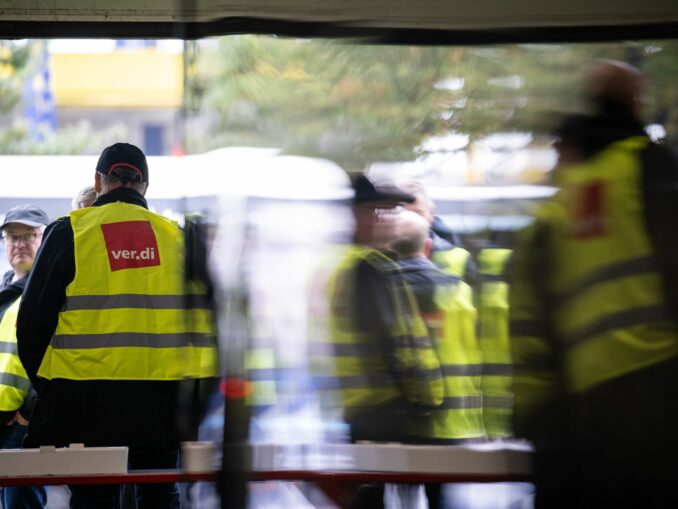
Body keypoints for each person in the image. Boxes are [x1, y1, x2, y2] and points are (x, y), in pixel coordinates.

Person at [510, 59, 678, 508]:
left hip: (587, 398)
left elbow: (538, 319)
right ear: (636, 101)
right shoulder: (649, 167)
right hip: (658, 379)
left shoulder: (563, 207)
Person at [17, 143, 218, 509]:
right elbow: (211, 328)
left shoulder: (69, 233)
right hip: (163, 403)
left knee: (94, 494)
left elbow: (31, 325)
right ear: (144, 186)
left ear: (99, 181)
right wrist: (193, 401)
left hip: (86, 402)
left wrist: (52, 388)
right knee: (159, 491)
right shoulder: (179, 238)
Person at [322, 175, 443, 508]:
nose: (389, 221)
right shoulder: (366, 267)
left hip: (355, 408)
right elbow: (392, 344)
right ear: (356, 214)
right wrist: (422, 400)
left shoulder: (337, 263)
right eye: (381, 212)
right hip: (384, 407)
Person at [388, 209, 484, 509]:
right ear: (427, 246)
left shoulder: (385, 293)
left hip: (400, 418)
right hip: (449, 421)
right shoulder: (459, 292)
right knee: (441, 497)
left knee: (400, 492)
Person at [0, 205, 48, 509]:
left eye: (29, 235)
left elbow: (56, 356)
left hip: (22, 425)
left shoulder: (48, 290)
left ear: (44, 240)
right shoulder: (6, 290)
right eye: (12, 236)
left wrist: (29, 412)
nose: (19, 243)